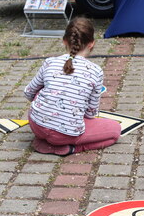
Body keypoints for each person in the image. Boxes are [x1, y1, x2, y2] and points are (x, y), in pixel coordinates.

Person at [23, 17, 121, 156]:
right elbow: (91, 113)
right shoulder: (96, 71)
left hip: (37, 126)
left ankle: (45, 140)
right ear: (92, 44)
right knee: (115, 130)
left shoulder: (50, 62)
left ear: (64, 41)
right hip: (66, 134)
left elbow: (28, 92)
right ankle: (70, 148)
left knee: (41, 89)